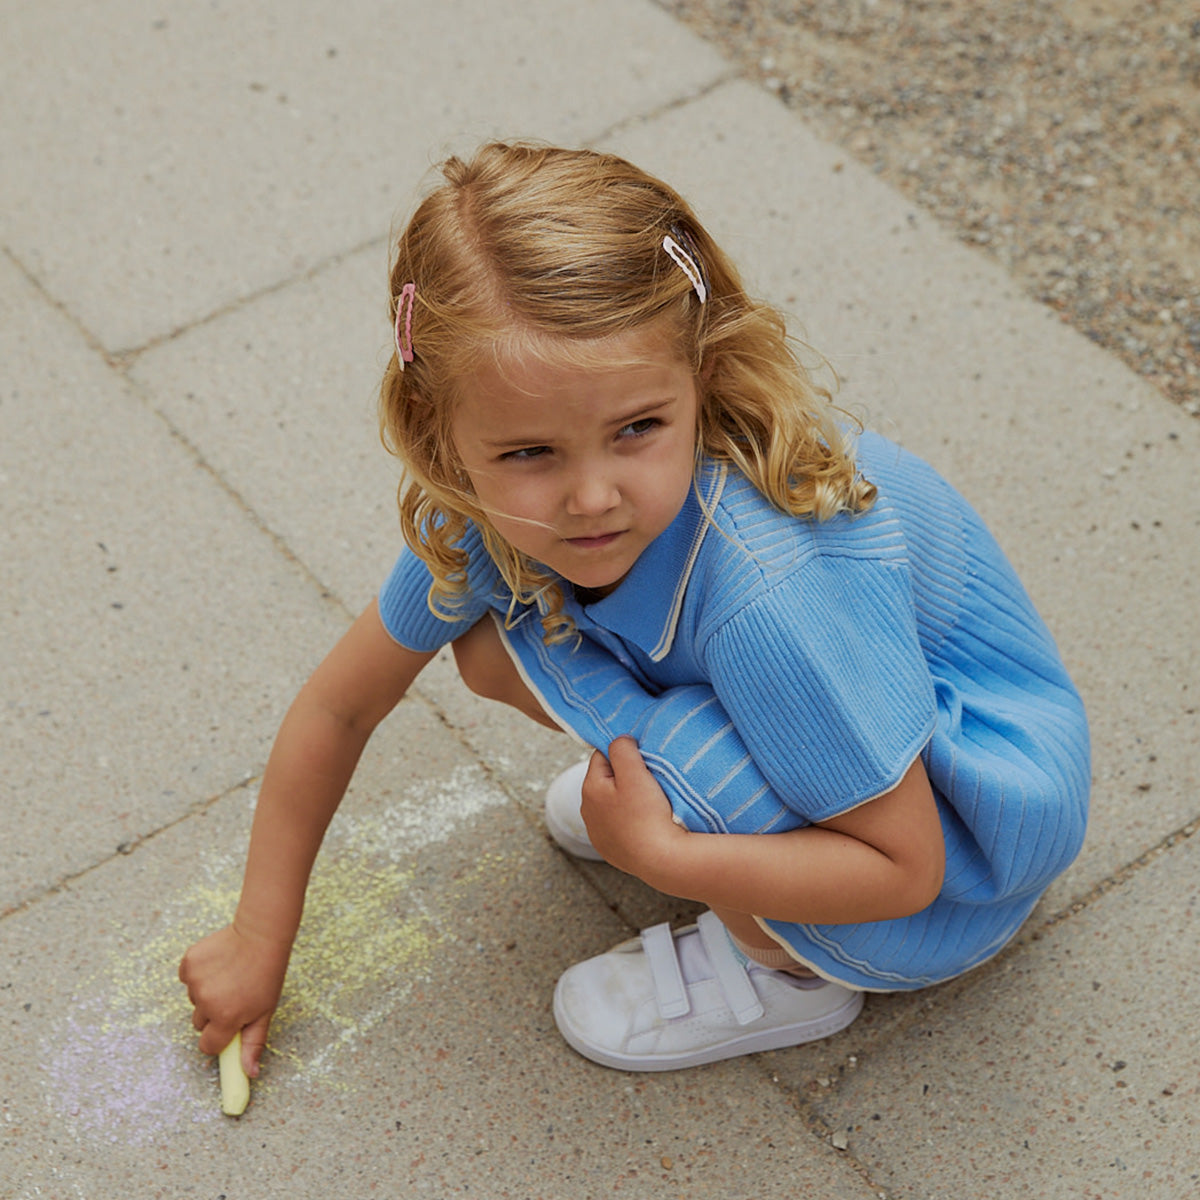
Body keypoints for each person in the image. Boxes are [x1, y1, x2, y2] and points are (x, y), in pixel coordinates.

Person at [179, 141, 1090, 1077]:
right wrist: (257, 937)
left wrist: (666, 857)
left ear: (700, 371)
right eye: (530, 453)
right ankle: (693, 795)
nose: (591, 498)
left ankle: (790, 974)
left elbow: (909, 869)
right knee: (489, 647)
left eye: (637, 431)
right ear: (439, 436)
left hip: (965, 854)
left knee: (643, 730)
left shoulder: (769, 596)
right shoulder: (485, 515)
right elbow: (341, 705)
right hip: (862, 742)